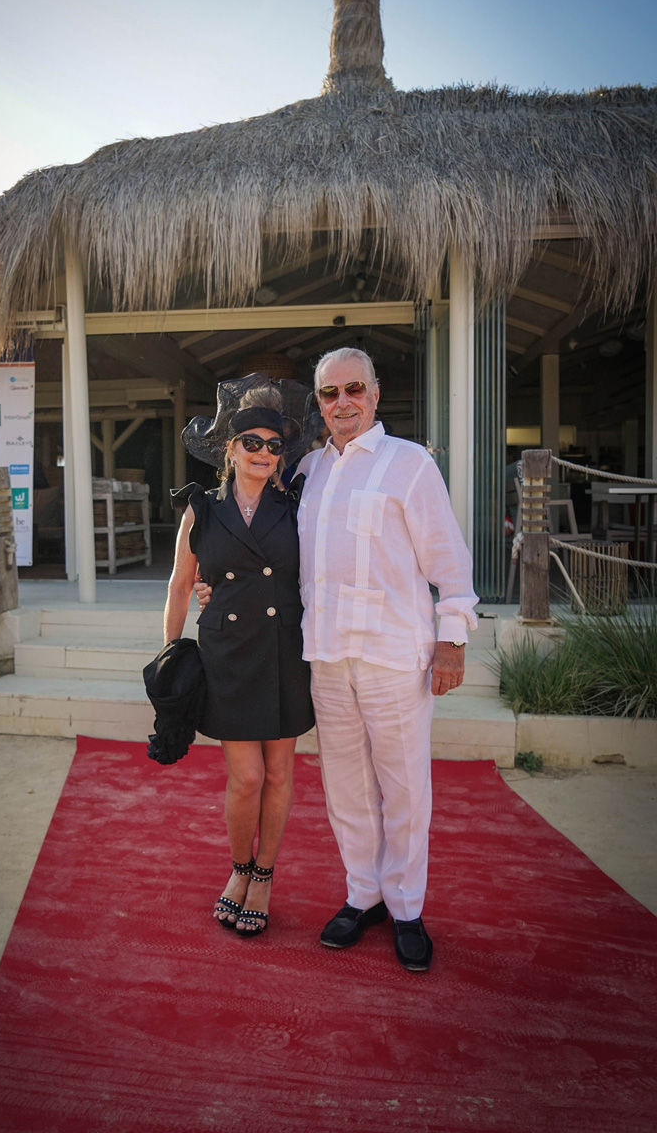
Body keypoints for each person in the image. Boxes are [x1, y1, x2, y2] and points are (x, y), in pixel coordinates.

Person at [295, 347, 478, 971]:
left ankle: (405, 907)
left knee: (403, 789)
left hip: (394, 655)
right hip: (326, 655)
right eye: (329, 393)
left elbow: (449, 560)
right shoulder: (308, 470)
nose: (342, 402)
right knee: (345, 786)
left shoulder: (410, 463)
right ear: (319, 403)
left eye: (354, 389)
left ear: (375, 394)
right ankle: (363, 895)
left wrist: (452, 640)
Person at [163, 376, 319, 938]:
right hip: (228, 653)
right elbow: (181, 585)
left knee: (278, 773)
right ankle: (239, 866)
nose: (263, 453)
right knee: (247, 777)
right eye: (251, 442)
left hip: (284, 652)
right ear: (229, 449)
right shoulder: (200, 510)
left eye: (273, 445)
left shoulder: (298, 506)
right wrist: (170, 656)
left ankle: (264, 876)